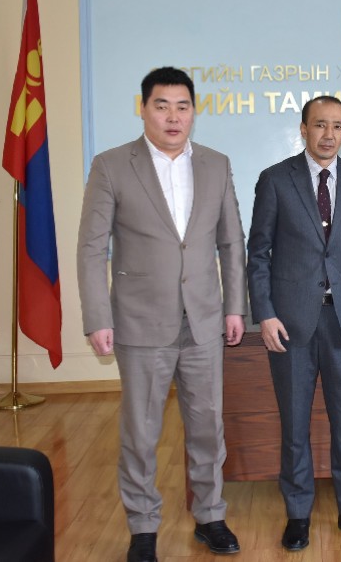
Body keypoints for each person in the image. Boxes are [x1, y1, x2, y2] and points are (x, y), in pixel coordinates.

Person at [77, 67, 246, 562]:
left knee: (207, 425)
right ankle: (143, 526)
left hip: (204, 320)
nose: (173, 116)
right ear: (143, 109)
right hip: (139, 321)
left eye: (182, 106)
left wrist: (235, 307)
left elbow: (231, 243)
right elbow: (92, 248)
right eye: (162, 106)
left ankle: (210, 516)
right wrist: (97, 316)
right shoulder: (111, 165)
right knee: (141, 431)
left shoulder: (216, 164)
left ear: (194, 111)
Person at [246, 96, 341, 551]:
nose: (329, 134)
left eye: (338, 126)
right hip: (290, 323)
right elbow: (258, 253)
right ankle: (298, 514)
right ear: (303, 129)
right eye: (320, 125)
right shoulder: (275, 179)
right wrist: (264, 313)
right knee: (294, 425)